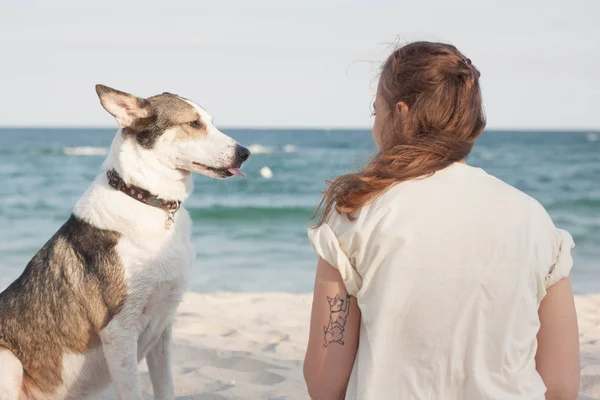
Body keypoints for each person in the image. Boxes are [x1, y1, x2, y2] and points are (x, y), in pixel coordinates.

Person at [303, 41, 580, 400]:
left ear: (400, 113)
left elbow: (325, 385)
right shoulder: (534, 219)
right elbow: (561, 388)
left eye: (376, 111)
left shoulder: (358, 214)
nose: (375, 125)